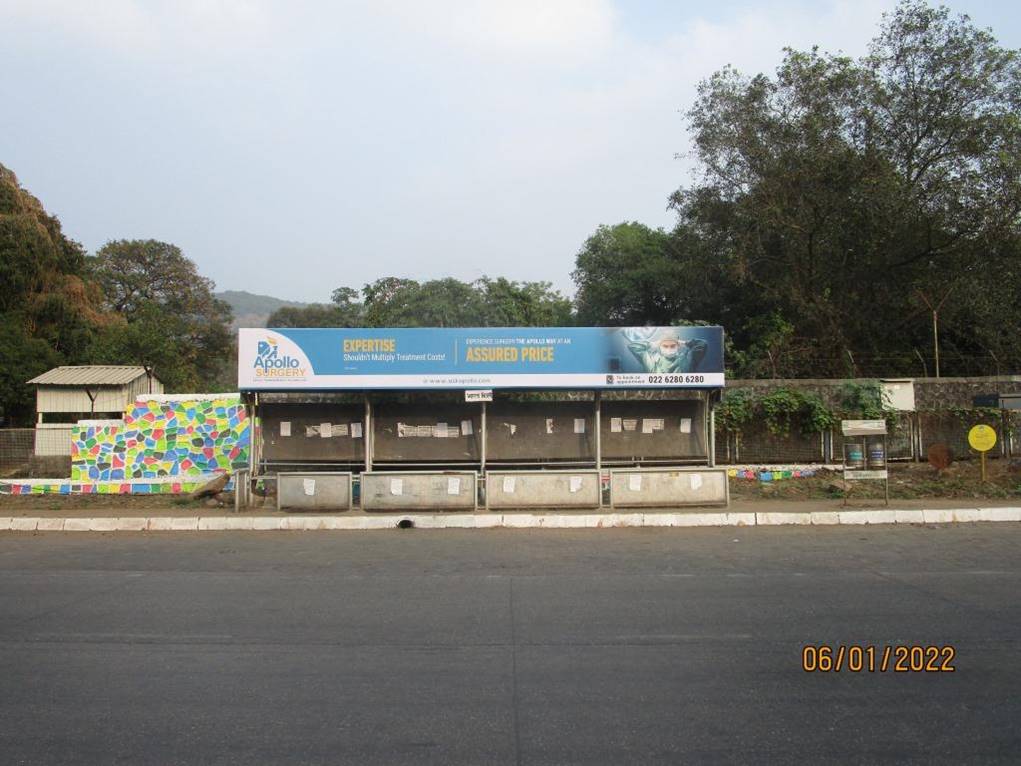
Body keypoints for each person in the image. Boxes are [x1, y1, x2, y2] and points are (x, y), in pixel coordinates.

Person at [627, 329, 707, 374]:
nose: (669, 349)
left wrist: (684, 342)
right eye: (665, 346)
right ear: (659, 346)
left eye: (672, 346)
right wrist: (652, 344)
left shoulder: (688, 360)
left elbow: (702, 344)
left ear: (678, 346)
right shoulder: (651, 361)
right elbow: (632, 346)